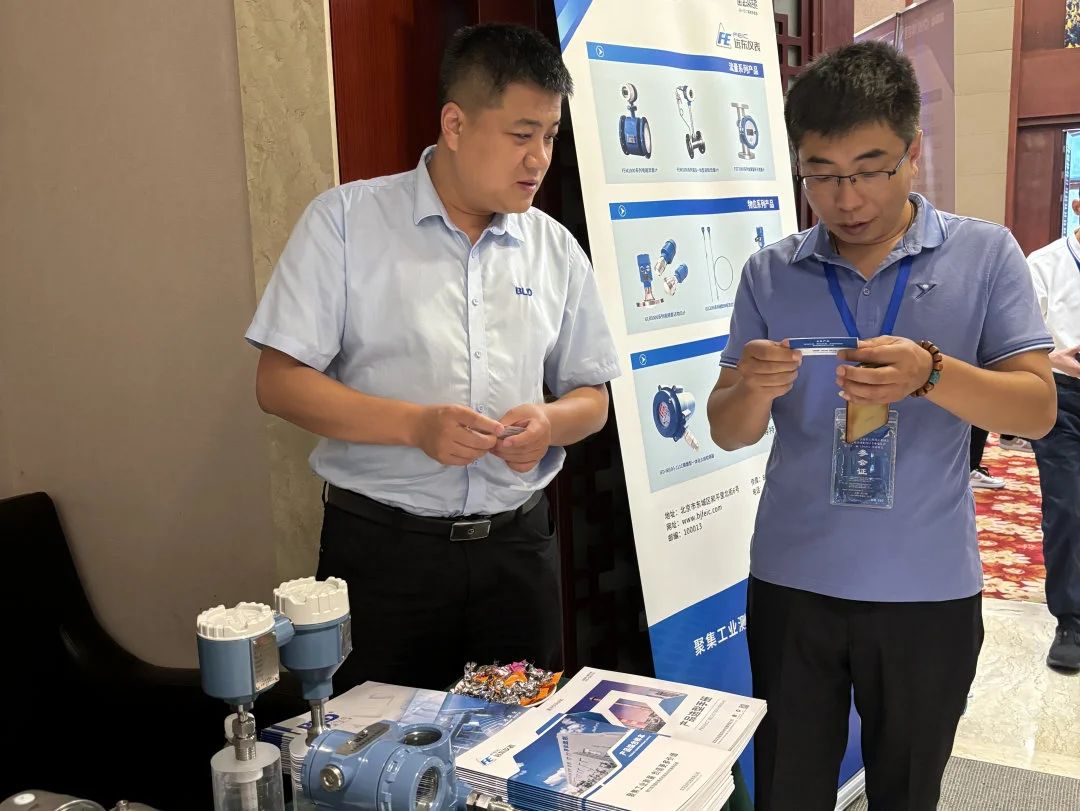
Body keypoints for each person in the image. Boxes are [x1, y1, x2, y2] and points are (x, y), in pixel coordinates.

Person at [706, 42, 1057, 811]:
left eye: (870, 169)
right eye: (821, 175)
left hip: (927, 589)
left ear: (912, 151)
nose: (847, 198)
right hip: (793, 583)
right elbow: (728, 429)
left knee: (905, 790)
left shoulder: (983, 255)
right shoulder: (771, 273)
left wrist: (932, 374)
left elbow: (1036, 407)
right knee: (788, 788)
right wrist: (753, 390)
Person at [245, 23, 620, 691]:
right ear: (455, 124)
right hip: (384, 556)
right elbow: (279, 384)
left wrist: (549, 424)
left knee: (513, 742)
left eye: (550, 135)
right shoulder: (346, 222)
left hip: (515, 555)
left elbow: (593, 398)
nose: (539, 158)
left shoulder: (554, 248)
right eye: (521, 134)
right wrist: (415, 426)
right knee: (375, 741)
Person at [1026, 196, 1080, 671]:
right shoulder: (1043, 265)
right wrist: (1051, 358)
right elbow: (1014, 341)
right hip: (1064, 398)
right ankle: (1071, 620)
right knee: (1067, 506)